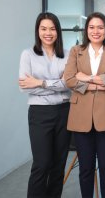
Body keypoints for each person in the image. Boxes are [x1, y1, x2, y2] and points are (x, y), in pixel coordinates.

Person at [64, 12, 105, 198]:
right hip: (80, 116)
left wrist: (89, 78)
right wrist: (98, 84)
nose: (96, 31)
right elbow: (69, 79)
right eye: (92, 27)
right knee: (86, 168)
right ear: (86, 30)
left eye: (100, 27)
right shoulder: (76, 51)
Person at [19, 12, 71, 198]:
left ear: (58, 31)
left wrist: (40, 83)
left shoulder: (67, 54)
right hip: (39, 113)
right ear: (38, 31)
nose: (48, 32)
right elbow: (26, 88)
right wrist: (57, 84)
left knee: (58, 165)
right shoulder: (28, 55)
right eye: (43, 28)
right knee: (41, 165)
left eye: (52, 28)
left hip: (65, 112)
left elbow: (69, 84)